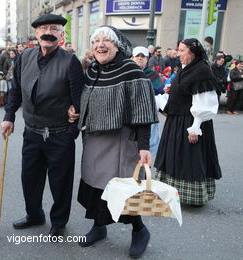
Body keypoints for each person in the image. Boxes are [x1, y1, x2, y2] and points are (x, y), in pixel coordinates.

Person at [68, 26, 158, 258]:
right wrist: (75, 111)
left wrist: (144, 146)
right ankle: (99, 227)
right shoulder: (92, 70)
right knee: (95, 187)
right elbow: (84, 100)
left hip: (121, 141)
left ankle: (139, 231)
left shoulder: (131, 71)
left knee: (124, 190)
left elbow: (143, 112)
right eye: (96, 40)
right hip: (94, 140)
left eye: (106, 40)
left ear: (118, 45)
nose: (100, 44)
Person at [1, 13, 84, 238]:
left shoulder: (71, 62)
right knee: (30, 179)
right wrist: (9, 116)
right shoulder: (25, 56)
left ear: (61, 36)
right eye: (44, 28)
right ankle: (34, 215)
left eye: (55, 29)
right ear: (36, 33)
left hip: (59, 134)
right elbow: (16, 90)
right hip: (32, 133)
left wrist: (71, 135)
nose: (49, 32)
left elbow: (80, 102)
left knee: (60, 183)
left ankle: (58, 222)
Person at [154, 38, 222, 206]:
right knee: (173, 156)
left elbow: (204, 101)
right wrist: (172, 89)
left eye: (182, 50)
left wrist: (195, 127)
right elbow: (186, 89)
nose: (179, 54)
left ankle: (191, 196)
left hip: (190, 122)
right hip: (177, 120)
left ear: (192, 52)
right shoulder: (185, 68)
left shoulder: (202, 70)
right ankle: (171, 192)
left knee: (189, 158)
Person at [132, 46, 164, 160]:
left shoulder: (152, 74)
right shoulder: (128, 73)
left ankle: (145, 174)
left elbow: (160, 93)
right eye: (137, 56)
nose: (140, 58)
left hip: (149, 116)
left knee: (147, 148)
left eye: (143, 56)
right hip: (130, 116)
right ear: (132, 58)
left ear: (147, 59)